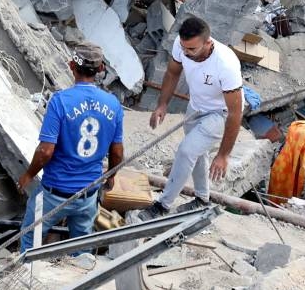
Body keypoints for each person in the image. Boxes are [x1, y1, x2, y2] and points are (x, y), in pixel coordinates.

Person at [17, 43, 123, 253]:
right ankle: (78, 281)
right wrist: (111, 176)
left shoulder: (60, 102)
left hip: (53, 193)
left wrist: (28, 175)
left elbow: (45, 151)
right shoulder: (113, 104)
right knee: (81, 248)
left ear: (71, 65)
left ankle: (28, 279)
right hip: (88, 195)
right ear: (101, 69)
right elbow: (117, 151)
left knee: (30, 240)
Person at [136, 17, 244, 221]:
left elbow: (235, 113)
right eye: (184, 48)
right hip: (195, 107)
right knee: (197, 154)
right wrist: (162, 104)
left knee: (186, 151)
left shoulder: (226, 64)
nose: (186, 53)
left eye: (192, 49)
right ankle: (202, 199)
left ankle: (162, 205)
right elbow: (172, 73)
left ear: (208, 43)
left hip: (219, 114)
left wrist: (223, 155)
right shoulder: (182, 45)